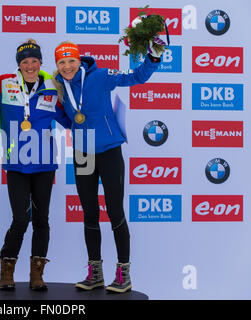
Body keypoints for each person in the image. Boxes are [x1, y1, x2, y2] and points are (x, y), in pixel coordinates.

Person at [53, 41, 162, 293]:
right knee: (89, 212)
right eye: (62, 62)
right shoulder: (58, 85)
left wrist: (152, 58)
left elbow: (136, 77)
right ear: (57, 65)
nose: (67, 66)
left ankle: (123, 272)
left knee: (114, 210)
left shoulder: (100, 76)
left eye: (71, 60)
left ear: (79, 60)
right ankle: (95, 273)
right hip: (83, 152)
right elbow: (65, 116)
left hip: (110, 149)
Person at [0, 39, 71, 291]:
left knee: (42, 219)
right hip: (16, 163)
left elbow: (66, 118)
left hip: (44, 164)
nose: (30, 66)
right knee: (19, 219)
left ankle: (37, 272)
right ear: (19, 64)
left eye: (34, 61)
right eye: (25, 62)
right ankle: (7, 267)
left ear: (40, 63)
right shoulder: (3, 84)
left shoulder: (51, 86)